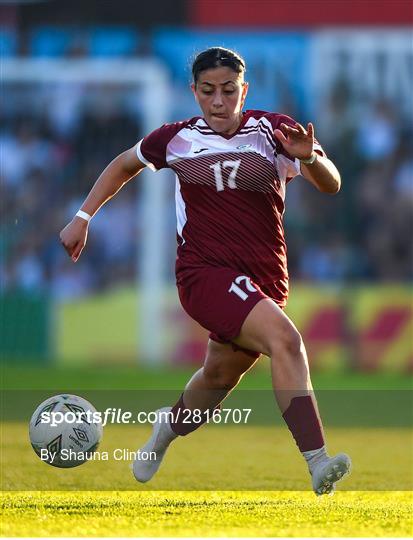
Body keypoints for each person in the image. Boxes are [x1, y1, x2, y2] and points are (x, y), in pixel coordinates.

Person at [60, 47, 351, 495]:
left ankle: (164, 431)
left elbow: (331, 184)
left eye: (229, 91)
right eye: (209, 91)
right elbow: (123, 164)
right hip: (203, 273)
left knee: (218, 377)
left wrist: (310, 158)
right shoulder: (175, 139)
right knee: (287, 342)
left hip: (265, 280)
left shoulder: (273, 131)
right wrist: (83, 217)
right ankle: (317, 461)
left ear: (244, 90)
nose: (219, 101)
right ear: (193, 91)